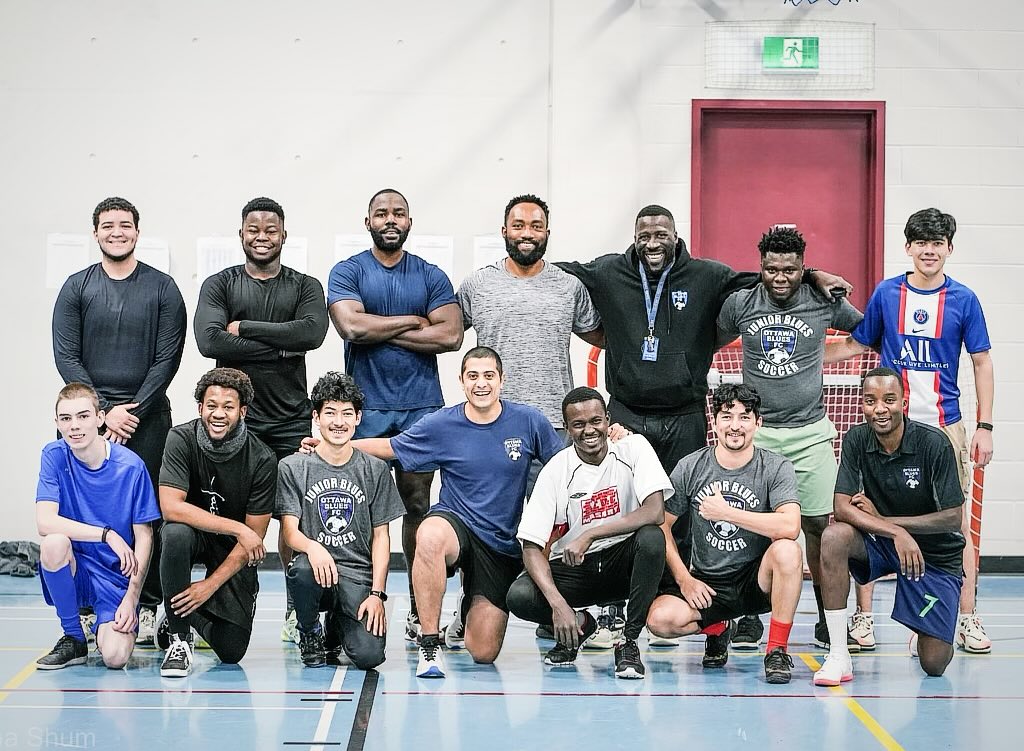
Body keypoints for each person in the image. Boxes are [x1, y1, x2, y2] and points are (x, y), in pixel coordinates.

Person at [558, 204, 847, 648]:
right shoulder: (608, 271)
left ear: (677, 235)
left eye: (662, 233)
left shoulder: (709, 275)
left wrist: (815, 276)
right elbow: (555, 269)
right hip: (629, 412)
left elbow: (770, 277)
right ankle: (622, 608)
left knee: (690, 514)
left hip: (686, 412)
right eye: (644, 234)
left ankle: (723, 607)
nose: (653, 242)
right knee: (623, 507)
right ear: (634, 236)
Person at [825, 208, 994, 654]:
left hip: (944, 427)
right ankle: (863, 618)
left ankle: (967, 616)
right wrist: (800, 358)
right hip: (887, 431)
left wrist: (985, 426)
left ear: (949, 249)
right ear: (908, 248)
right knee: (867, 517)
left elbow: (981, 361)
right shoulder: (887, 294)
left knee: (960, 530)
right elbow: (856, 344)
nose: (929, 250)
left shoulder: (964, 300)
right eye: (921, 243)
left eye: (937, 243)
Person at [457, 194, 613, 647]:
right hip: (492, 427)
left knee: (562, 525)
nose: (527, 232)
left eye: (536, 225)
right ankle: (470, 608)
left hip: (553, 427)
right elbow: (446, 330)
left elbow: (604, 331)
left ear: (548, 232)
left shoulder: (568, 287)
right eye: (519, 225)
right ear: (504, 231)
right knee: (487, 525)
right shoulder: (477, 285)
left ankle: (562, 611)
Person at [351, 346, 563, 678]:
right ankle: (429, 643)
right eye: (473, 376)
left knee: (483, 652)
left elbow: (565, 465)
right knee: (430, 535)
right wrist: (333, 445)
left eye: (489, 376)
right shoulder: (442, 424)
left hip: (500, 544)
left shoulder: (529, 421)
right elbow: (390, 447)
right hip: (455, 522)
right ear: (462, 381)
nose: (481, 384)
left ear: (502, 381)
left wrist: (614, 440)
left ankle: (467, 610)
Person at [716, 226, 863, 650]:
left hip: (810, 432)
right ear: (760, 267)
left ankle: (826, 616)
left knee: (819, 525)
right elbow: (709, 339)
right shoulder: (740, 303)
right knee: (749, 526)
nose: (780, 277)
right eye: (771, 269)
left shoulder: (822, 299)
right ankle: (747, 616)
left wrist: (823, 352)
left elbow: (867, 331)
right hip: (756, 435)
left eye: (791, 269)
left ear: (803, 268)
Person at [327, 188, 463, 643]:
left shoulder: (430, 274)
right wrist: (413, 321)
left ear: (409, 221)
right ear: (367, 220)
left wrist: (379, 328)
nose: (391, 219)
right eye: (381, 213)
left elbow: (450, 336)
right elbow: (351, 326)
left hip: (421, 409)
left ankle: (416, 607)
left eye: (399, 213)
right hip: (363, 410)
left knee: (418, 506)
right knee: (355, 508)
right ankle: (358, 602)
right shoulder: (349, 271)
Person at [52, 196, 186, 645]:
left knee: (145, 518)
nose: (116, 232)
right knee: (81, 512)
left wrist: (133, 411)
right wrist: (103, 412)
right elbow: (66, 355)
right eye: (107, 226)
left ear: (137, 231)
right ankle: (87, 609)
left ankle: (146, 606)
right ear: (95, 234)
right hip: (88, 417)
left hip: (148, 418)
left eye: (124, 225)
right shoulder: (76, 287)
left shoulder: (164, 288)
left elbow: (167, 359)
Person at [195, 196, 329, 643]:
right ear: (241, 235)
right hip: (234, 424)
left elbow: (311, 333)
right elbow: (209, 341)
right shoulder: (220, 284)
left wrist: (244, 328)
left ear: (284, 235)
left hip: (291, 420)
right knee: (230, 516)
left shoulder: (305, 285)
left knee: (293, 519)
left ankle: (298, 611)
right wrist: (283, 344)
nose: (262, 237)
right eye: (253, 229)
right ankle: (220, 603)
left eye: (270, 230)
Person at [813, 368, 966, 685]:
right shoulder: (857, 439)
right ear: (863, 404)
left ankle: (928, 626)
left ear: (904, 402)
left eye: (889, 400)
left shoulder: (933, 444)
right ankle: (839, 654)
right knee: (833, 537)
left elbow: (953, 517)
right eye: (870, 400)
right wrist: (894, 532)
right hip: (884, 544)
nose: (879, 408)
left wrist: (886, 522)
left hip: (934, 556)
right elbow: (841, 507)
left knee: (934, 663)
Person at [646, 384, 803, 685]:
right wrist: (684, 579)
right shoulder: (691, 466)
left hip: (757, 580)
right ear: (714, 421)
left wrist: (727, 513)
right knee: (659, 620)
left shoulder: (775, 466)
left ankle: (776, 650)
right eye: (727, 416)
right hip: (708, 581)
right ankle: (717, 628)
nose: (735, 426)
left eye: (745, 417)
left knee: (788, 551)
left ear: (759, 423)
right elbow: (660, 525)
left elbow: (790, 526)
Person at [508, 387, 669, 679]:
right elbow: (531, 546)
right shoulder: (557, 469)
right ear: (567, 428)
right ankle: (581, 626)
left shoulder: (634, 448)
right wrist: (559, 607)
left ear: (608, 420)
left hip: (626, 562)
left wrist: (591, 534)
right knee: (520, 595)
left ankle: (628, 641)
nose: (589, 430)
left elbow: (654, 511)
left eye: (596, 421)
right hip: (577, 568)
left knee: (652, 538)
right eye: (579, 425)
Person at [277, 372, 404, 670]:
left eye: (347, 413)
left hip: (357, 576)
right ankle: (309, 631)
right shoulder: (293, 466)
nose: (338, 422)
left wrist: (377, 594)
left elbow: (382, 537)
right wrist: (313, 547)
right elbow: (289, 531)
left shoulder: (375, 469)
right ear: (316, 417)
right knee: (302, 569)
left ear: (358, 418)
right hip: (317, 571)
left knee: (369, 657)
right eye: (330, 413)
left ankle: (336, 627)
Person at [156, 368, 277, 678]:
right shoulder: (180, 438)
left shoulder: (262, 459)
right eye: (211, 405)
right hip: (197, 534)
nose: (218, 414)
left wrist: (207, 588)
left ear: (243, 411)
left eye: (228, 406)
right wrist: (237, 527)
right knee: (175, 534)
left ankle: (181, 614)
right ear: (200, 408)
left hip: (231, 549)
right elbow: (171, 508)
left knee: (231, 650)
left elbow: (254, 541)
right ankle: (179, 641)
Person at [34, 383, 160, 670]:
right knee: (53, 544)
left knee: (115, 657)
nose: (74, 427)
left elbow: (145, 536)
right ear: (57, 423)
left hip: (115, 578)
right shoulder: (53, 455)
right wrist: (106, 534)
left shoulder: (131, 466)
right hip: (77, 566)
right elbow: (44, 522)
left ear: (100, 418)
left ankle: (104, 623)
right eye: (65, 419)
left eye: (83, 416)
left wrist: (132, 597)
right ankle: (74, 637)